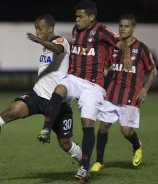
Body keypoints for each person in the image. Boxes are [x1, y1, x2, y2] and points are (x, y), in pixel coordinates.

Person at [0, 14, 82, 163]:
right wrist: (41, 41)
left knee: (65, 143)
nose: (37, 32)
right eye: (36, 29)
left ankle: (84, 164)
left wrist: (39, 41)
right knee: (10, 112)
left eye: (40, 29)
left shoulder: (62, 41)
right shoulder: (45, 46)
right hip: (38, 95)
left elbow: (58, 48)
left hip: (57, 102)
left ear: (50, 28)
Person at [36, 0, 132, 182]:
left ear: (91, 17)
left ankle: (85, 166)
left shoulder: (102, 31)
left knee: (88, 123)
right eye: (76, 16)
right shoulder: (75, 30)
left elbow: (121, 44)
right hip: (75, 78)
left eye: (81, 17)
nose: (77, 19)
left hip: (94, 85)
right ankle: (47, 128)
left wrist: (126, 56)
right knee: (60, 88)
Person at [90, 14, 157, 172]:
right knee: (103, 127)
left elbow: (153, 71)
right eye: (120, 26)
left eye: (126, 26)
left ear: (134, 28)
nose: (122, 29)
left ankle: (137, 145)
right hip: (112, 94)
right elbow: (105, 68)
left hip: (132, 96)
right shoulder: (114, 47)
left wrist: (145, 88)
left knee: (126, 130)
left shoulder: (142, 49)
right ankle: (99, 162)